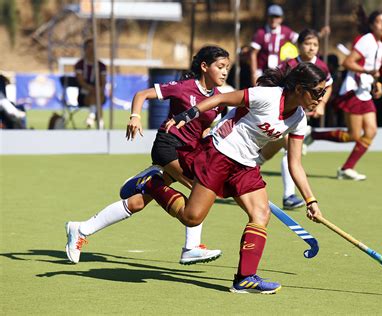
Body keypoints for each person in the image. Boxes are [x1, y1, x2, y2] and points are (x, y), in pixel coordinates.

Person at [151, 61, 326, 294]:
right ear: (298, 89)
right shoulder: (267, 96)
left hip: (246, 164)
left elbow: (295, 164)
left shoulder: (299, 119)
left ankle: (245, 278)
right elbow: (222, 98)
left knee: (260, 214)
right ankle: (152, 184)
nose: (320, 97)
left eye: (323, 92)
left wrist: (311, 201)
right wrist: (192, 112)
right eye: (317, 92)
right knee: (191, 218)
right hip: (220, 152)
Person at [65, 46, 230, 265]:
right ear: (204, 67)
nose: (224, 72)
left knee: (136, 204)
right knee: (200, 187)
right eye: (220, 67)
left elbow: (206, 129)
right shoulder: (184, 87)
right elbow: (142, 94)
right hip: (168, 145)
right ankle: (191, 247)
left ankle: (81, 229)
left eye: (227, 67)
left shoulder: (218, 100)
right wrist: (135, 117)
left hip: (188, 153)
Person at [304, 10, 382, 181]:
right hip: (353, 91)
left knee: (371, 131)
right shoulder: (367, 41)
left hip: (365, 92)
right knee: (354, 136)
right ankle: (313, 135)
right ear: (372, 25)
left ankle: (347, 168)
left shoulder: (380, 45)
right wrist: (367, 72)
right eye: (379, 22)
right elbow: (348, 62)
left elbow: (373, 71)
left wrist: (377, 84)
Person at [259, 28, 333, 210]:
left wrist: (321, 104)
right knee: (289, 149)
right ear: (298, 46)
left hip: (301, 118)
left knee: (275, 149)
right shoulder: (290, 64)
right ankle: (289, 195)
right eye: (307, 44)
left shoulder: (322, 66)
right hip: (284, 117)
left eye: (315, 44)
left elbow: (329, 85)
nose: (311, 48)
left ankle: (246, 167)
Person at [74, 38, 107, 128]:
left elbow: (103, 81)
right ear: (85, 49)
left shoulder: (101, 65)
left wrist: (99, 90)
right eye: (89, 47)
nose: (92, 50)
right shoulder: (80, 64)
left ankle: (91, 117)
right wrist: (92, 89)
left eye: (93, 47)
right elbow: (80, 81)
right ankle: (100, 123)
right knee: (95, 95)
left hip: (98, 94)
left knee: (97, 95)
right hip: (84, 95)